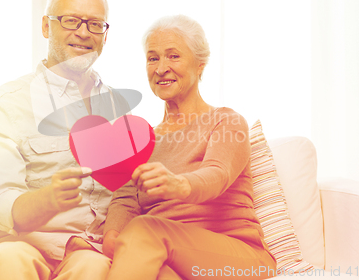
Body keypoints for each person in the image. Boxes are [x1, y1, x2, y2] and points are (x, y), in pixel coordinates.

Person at [102, 15, 277, 280]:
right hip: (165, 252)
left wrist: (179, 185)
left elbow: (217, 174)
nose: (161, 68)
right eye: (153, 58)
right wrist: (112, 237)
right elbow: (125, 200)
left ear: (200, 66)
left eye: (173, 56)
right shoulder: (140, 141)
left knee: (144, 229)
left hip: (238, 257)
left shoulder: (226, 121)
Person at [0, 0, 116, 280]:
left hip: (88, 250)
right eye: (71, 21)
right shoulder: (2, 106)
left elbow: (126, 196)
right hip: (19, 243)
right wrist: (50, 199)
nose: (84, 32)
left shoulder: (117, 108)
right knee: (8, 262)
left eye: (95, 24)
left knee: (94, 268)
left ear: (105, 35)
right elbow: (0, 204)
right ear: (47, 26)